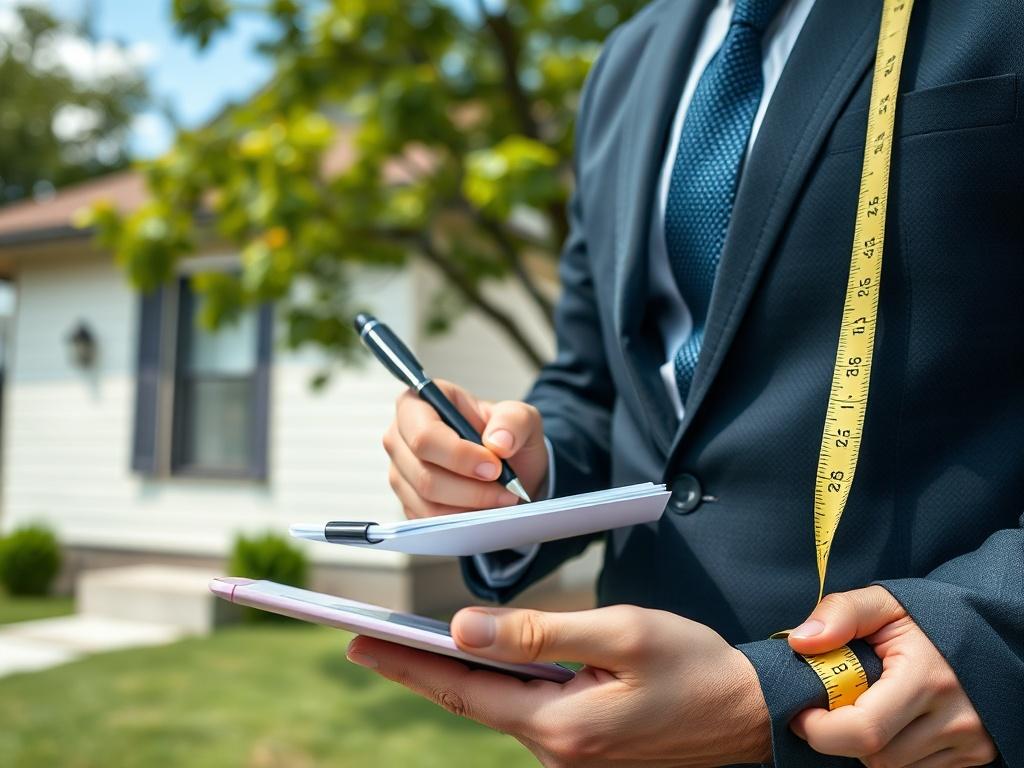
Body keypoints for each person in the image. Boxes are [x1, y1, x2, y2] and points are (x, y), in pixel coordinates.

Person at [347, 0, 1024, 765]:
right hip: (630, 735)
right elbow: (596, 383)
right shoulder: (627, 62)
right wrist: (518, 472)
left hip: (898, 731)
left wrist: (982, 639)